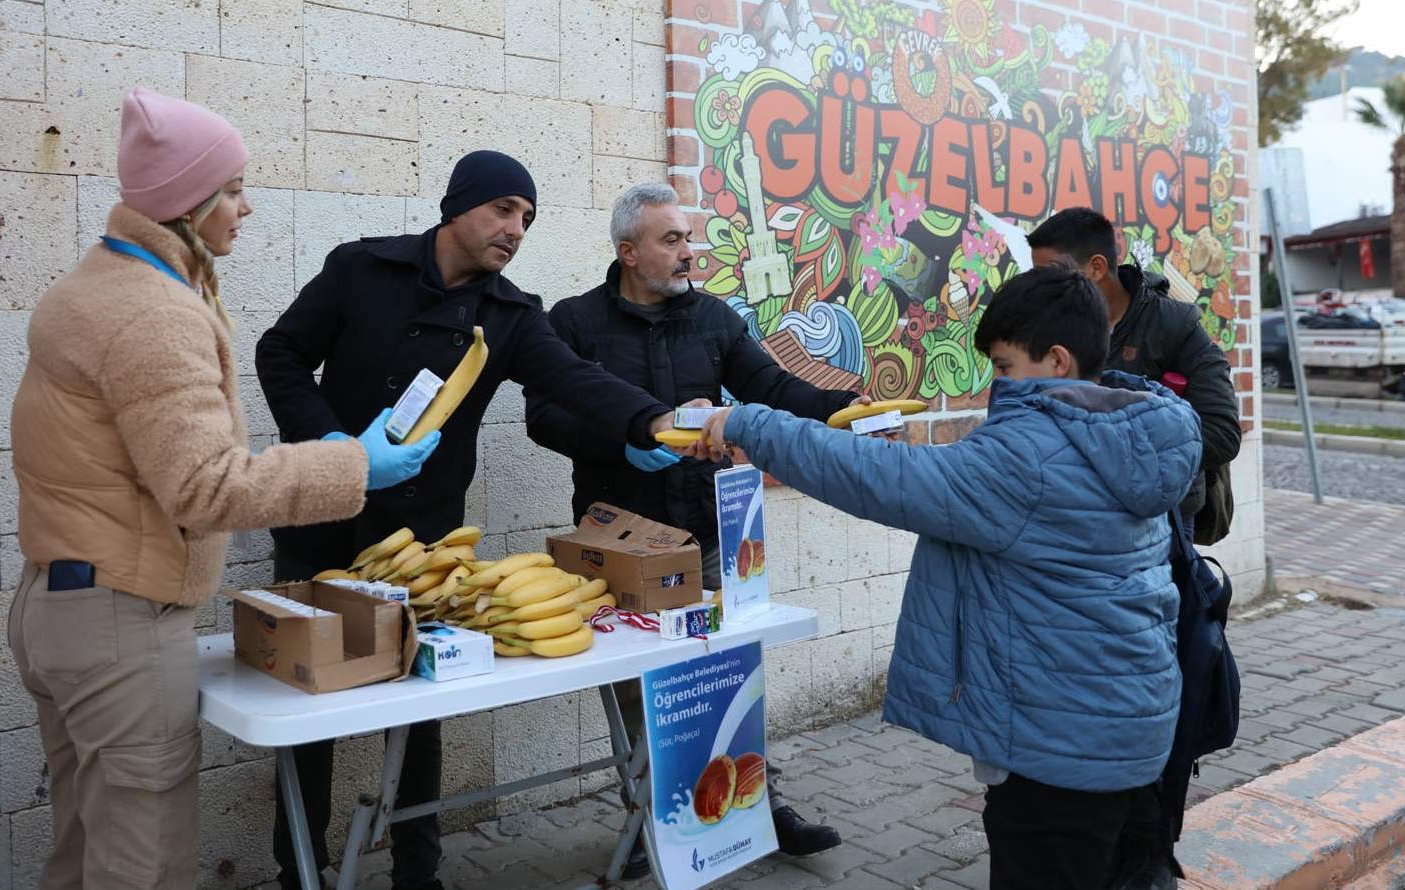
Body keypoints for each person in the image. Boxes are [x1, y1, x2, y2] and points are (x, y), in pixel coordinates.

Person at [6, 86, 436, 890]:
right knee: (144, 867)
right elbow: (205, 488)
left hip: (58, 606)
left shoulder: (90, 285)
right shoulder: (153, 314)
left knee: (82, 846)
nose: (247, 206)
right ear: (186, 202)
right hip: (119, 624)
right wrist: (356, 467)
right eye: (232, 188)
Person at [692, 264, 1201, 890]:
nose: (996, 385)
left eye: (1006, 367)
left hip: (1059, 759)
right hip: (1135, 733)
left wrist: (750, 424)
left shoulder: (1030, 459)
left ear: (1059, 362)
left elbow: (882, 479)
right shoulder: (1131, 433)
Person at [255, 151, 679, 890]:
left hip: (418, 539)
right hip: (320, 516)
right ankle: (301, 868)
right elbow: (280, 352)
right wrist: (331, 446)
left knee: (421, 707)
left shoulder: (508, 316)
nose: (516, 229)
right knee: (308, 704)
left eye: (528, 219)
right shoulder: (360, 270)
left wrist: (654, 421)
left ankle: (419, 871)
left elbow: (576, 381)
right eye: (504, 209)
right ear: (458, 206)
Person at [524, 182, 849, 877]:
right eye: (670, 240)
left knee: (730, 678)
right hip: (618, 551)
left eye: (687, 238)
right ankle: (652, 822)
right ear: (628, 251)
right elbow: (542, 417)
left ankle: (759, 806)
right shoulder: (575, 321)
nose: (687, 252)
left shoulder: (713, 318)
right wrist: (622, 442)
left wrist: (844, 408)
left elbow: (775, 388)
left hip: (704, 539)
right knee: (642, 694)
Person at [1027, 208, 1240, 543]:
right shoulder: (1053, 328)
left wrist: (1113, 457)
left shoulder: (1174, 327)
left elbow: (1221, 433)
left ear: (1096, 268)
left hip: (1161, 519)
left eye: (1051, 274)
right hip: (1074, 514)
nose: (1042, 289)